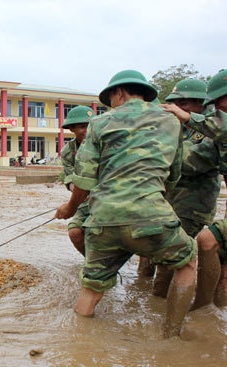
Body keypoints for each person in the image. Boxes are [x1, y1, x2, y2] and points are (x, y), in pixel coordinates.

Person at [56, 69, 197, 338]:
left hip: (103, 219)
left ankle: (78, 345)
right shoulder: (171, 122)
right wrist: (150, 202)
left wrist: (68, 209)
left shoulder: (100, 123)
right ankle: (172, 335)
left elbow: (84, 181)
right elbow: (174, 174)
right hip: (151, 216)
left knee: (91, 288)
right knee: (188, 262)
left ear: (119, 93)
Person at [163, 69, 227, 309]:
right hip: (171, 201)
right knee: (155, 258)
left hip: (193, 205)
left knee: (186, 255)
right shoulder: (180, 126)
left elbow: (192, 161)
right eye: (175, 103)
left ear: (203, 104)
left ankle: (203, 310)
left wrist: (152, 159)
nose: (178, 108)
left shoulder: (214, 128)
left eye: (184, 103)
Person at [60, 105, 93, 256]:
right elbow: (70, 177)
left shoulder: (107, 145)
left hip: (110, 199)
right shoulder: (68, 152)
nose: (87, 130)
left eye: (90, 125)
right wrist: (76, 189)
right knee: (75, 232)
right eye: (82, 126)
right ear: (72, 129)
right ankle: (93, 263)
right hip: (84, 200)